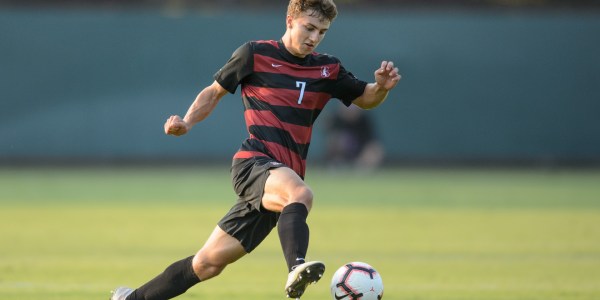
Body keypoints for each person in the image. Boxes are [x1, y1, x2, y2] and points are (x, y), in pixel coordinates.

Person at [110, 0, 400, 299]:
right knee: (302, 195)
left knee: (207, 264)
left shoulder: (327, 68)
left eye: (322, 32)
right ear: (290, 20)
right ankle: (296, 268)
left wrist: (381, 88)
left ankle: (129, 298)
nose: (314, 37)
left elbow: (365, 98)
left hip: (282, 183)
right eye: (309, 27)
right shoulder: (255, 54)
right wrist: (186, 122)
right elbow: (214, 92)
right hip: (254, 163)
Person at [325, 104, 385, 171]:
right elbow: (331, 141)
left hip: (360, 157)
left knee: (376, 150)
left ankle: (361, 169)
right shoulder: (337, 119)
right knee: (334, 140)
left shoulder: (364, 120)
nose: (351, 112)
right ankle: (337, 165)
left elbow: (372, 143)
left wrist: (363, 159)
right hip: (343, 157)